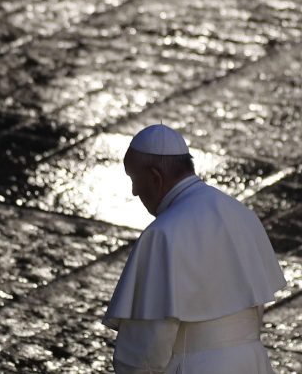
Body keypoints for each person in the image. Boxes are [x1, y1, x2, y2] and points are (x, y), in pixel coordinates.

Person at [102, 123, 287, 373]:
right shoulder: (241, 213)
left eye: (134, 179)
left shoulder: (163, 233)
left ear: (156, 177)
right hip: (251, 362)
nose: (134, 191)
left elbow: (147, 346)